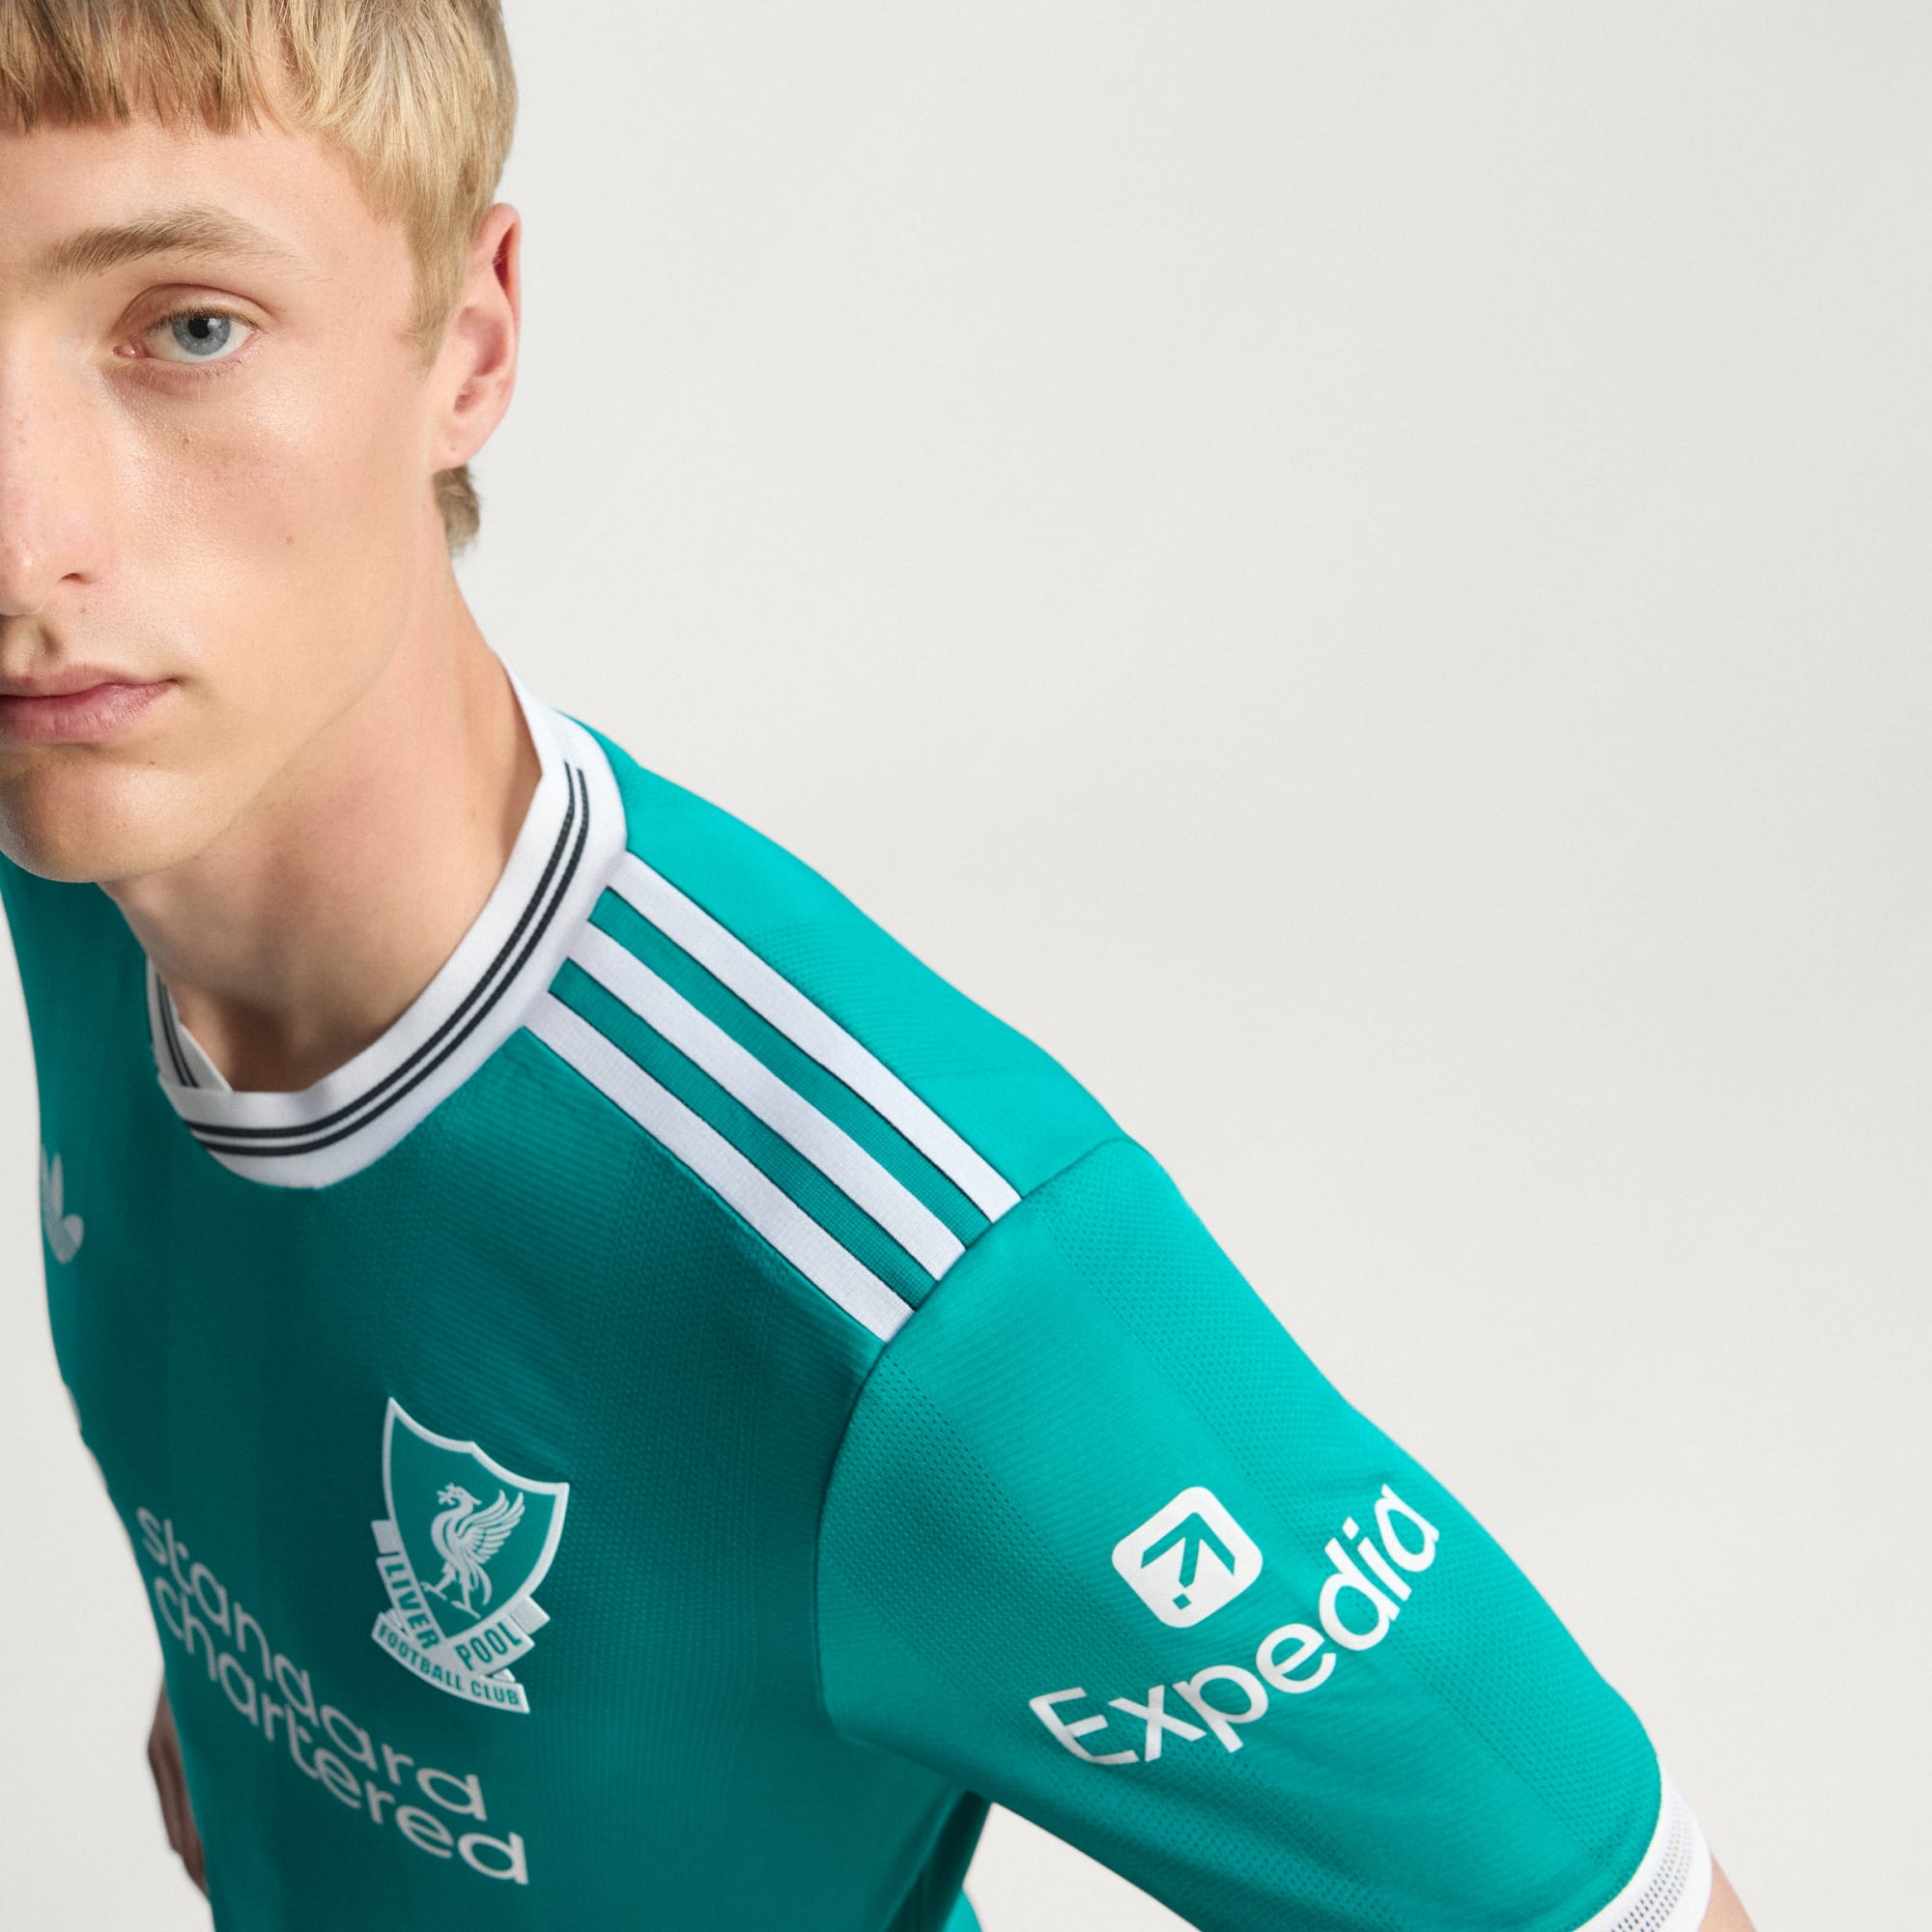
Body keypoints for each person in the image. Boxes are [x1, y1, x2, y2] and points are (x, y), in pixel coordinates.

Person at [0, 5, 1754, 1929]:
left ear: (468, 342)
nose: (23, 538)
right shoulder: (89, 819)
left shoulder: (925, 1299)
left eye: (190, 327)